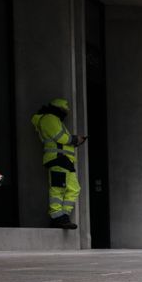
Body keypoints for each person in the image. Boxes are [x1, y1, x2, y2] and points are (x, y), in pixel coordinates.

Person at [32, 97, 85, 229]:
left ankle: (62, 216)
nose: (65, 113)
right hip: (57, 158)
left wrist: (74, 141)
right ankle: (57, 216)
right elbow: (60, 137)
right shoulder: (49, 118)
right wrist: (75, 139)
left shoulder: (54, 119)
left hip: (65, 159)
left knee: (74, 188)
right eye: (64, 110)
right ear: (58, 108)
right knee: (58, 188)